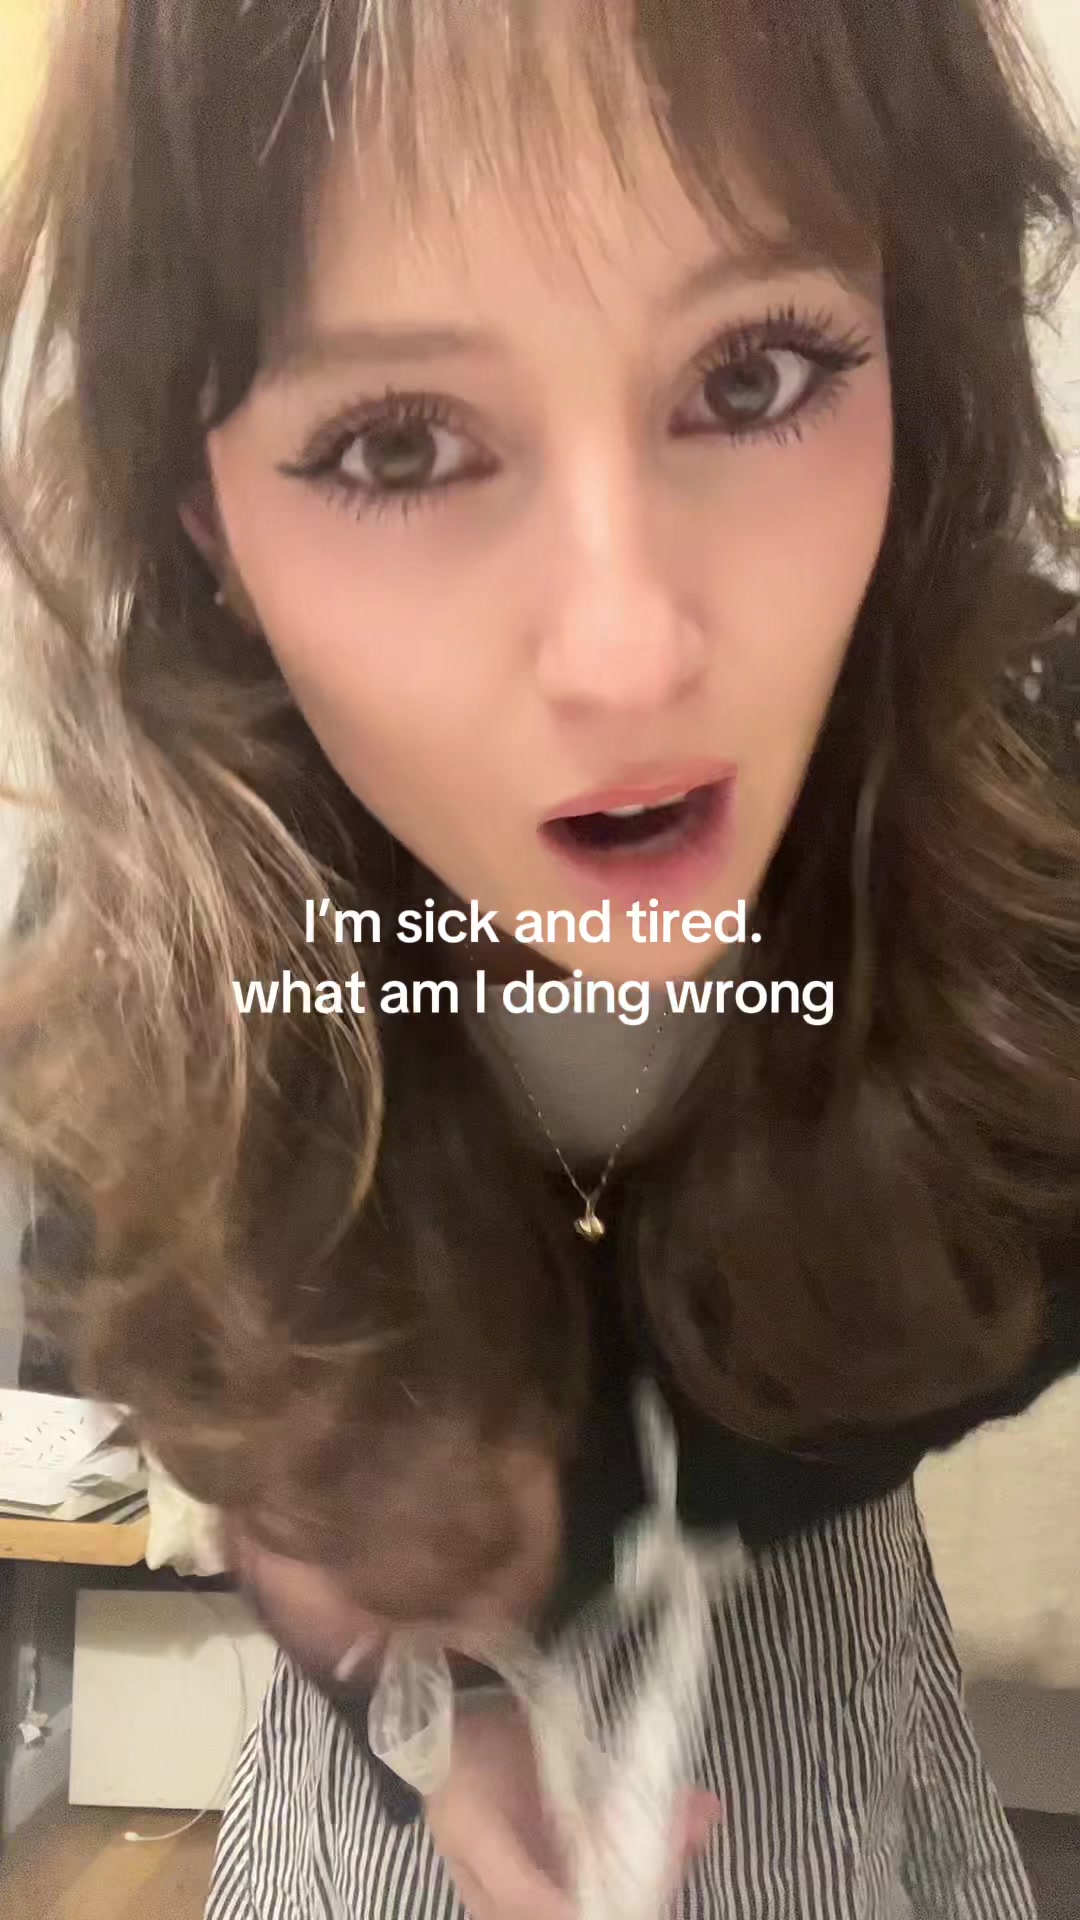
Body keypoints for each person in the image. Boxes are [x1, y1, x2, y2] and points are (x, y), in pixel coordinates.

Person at [2, 0, 1079, 1914]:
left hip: (849, 1667)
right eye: (401, 441)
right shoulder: (154, 1033)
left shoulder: (1042, 898)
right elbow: (271, 1477)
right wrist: (431, 1720)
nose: (627, 651)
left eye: (751, 376)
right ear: (209, 525)